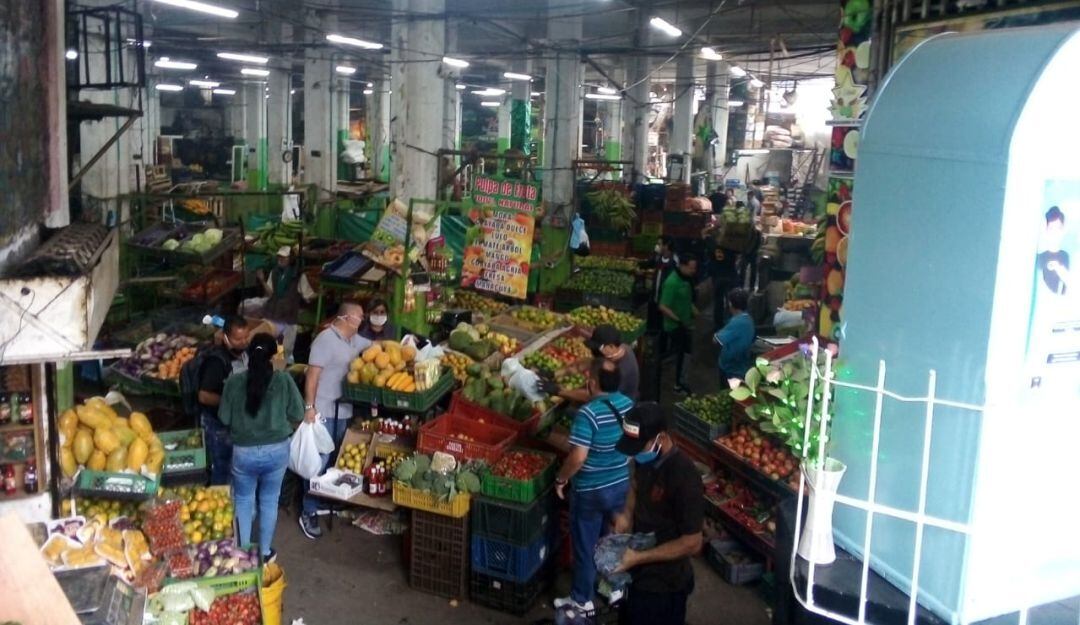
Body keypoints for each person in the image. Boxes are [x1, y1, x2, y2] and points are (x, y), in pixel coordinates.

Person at [553, 359, 634, 619]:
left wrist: (561, 479)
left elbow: (577, 457)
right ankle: (614, 590)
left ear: (591, 383)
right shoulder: (628, 405)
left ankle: (581, 600)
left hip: (590, 490)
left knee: (585, 545)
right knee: (609, 541)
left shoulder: (587, 414)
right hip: (619, 486)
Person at [613, 402, 705, 625]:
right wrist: (626, 514)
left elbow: (693, 543)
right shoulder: (647, 460)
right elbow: (635, 485)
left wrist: (638, 558)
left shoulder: (684, 477)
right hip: (637, 573)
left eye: (639, 448)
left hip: (665, 585)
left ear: (661, 438)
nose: (635, 456)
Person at [218, 333, 305, 563]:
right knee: (269, 501)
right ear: (273, 356)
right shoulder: (284, 380)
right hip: (276, 452)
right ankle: (265, 552)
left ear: (247, 354)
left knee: (244, 500)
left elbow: (224, 418)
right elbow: (298, 413)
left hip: (243, 453)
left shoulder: (234, 382)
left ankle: (244, 553)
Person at [298, 301, 372, 539]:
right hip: (323, 411)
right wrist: (309, 407)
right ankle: (308, 510)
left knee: (337, 461)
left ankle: (329, 500)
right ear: (347, 318)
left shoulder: (354, 340)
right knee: (317, 463)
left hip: (344, 411)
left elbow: (377, 347)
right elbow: (312, 376)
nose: (364, 320)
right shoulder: (325, 340)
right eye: (361, 316)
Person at [198, 316, 250, 485]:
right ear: (226, 337)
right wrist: (230, 402)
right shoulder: (217, 361)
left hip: (234, 423)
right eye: (237, 339)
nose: (242, 342)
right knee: (221, 468)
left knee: (234, 467)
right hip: (216, 425)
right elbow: (204, 396)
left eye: (245, 338)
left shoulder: (243, 355)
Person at [240, 246, 315, 361]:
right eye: (279, 257)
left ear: (291, 259)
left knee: (285, 350)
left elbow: (308, 296)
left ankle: (280, 367)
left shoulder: (299, 276)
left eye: (284, 257)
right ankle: (268, 364)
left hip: (288, 317)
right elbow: (270, 293)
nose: (281, 259)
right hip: (274, 314)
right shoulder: (274, 273)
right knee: (270, 345)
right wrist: (262, 280)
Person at [658, 254, 698, 394]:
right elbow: (663, 306)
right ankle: (678, 384)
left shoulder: (686, 279)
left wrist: (694, 311)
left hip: (685, 324)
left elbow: (687, 300)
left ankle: (680, 380)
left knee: (684, 352)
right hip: (675, 326)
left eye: (695, 268)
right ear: (682, 265)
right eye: (691, 267)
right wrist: (678, 320)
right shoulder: (672, 282)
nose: (694, 270)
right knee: (682, 353)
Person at [713, 288, 755, 383]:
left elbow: (716, 339)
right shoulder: (748, 319)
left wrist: (717, 333)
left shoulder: (737, 322)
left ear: (730, 304)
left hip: (731, 369)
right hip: (742, 365)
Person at [642, 236, 680, 333]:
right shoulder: (658, 257)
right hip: (655, 294)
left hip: (666, 298)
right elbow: (648, 264)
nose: (657, 246)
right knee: (652, 320)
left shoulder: (674, 261)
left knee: (663, 325)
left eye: (659, 244)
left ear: (666, 246)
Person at [1038, 206, 1069, 295]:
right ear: (1046, 230)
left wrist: (1060, 270)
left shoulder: (1065, 257)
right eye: (1051, 228)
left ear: (1063, 230)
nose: (1055, 233)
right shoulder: (1040, 258)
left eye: (1058, 228)